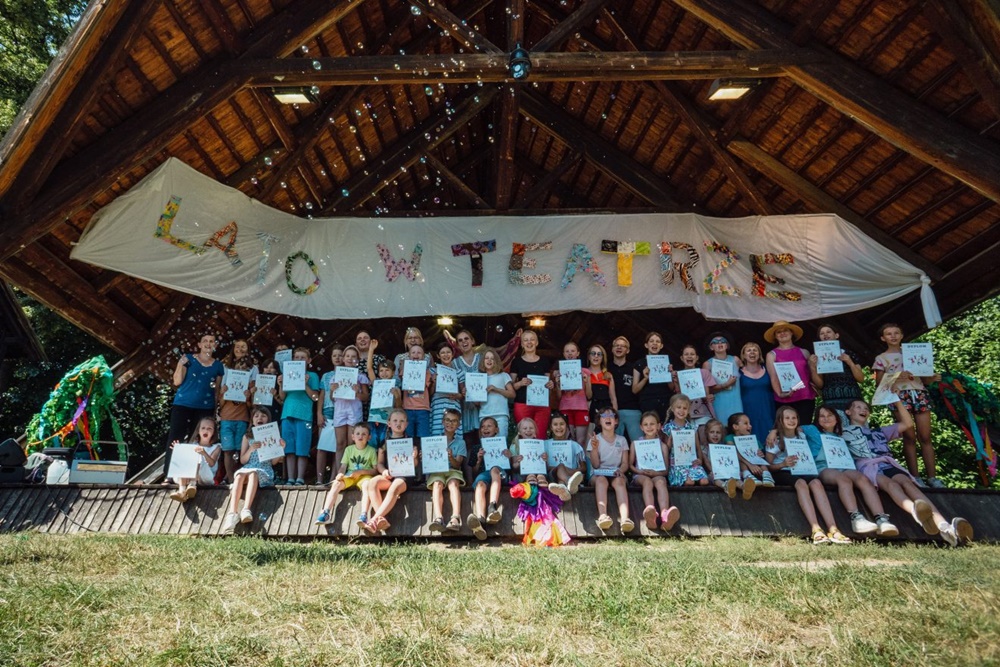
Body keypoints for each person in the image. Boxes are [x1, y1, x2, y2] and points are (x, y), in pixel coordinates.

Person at [842, 399, 972, 546]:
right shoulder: (842, 433)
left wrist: (897, 401)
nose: (863, 410)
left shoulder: (879, 431)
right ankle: (916, 512)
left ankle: (944, 525)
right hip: (867, 466)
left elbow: (908, 424)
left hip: (887, 463)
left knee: (907, 483)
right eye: (858, 407)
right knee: (891, 485)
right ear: (848, 412)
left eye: (866, 408)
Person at [804, 405, 897, 537]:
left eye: (830, 415)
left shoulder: (843, 435)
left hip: (844, 466)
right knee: (844, 480)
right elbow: (793, 427)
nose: (826, 418)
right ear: (817, 419)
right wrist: (775, 433)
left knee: (862, 479)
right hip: (824, 467)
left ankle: (882, 519)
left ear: (837, 418)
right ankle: (856, 518)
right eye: (822, 416)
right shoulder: (812, 430)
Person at [765, 405, 851, 545]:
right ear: (780, 420)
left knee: (817, 483)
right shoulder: (775, 439)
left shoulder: (802, 435)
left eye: (794, 418)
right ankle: (815, 529)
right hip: (782, 471)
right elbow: (767, 466)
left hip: (802, 470)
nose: (791, 421)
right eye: (787, 418)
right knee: (801, 484)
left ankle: (833, 529)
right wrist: (783, 464)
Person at [873, 323, 943, 487]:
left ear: (902, 335)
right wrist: (896, 376)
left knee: (925, 436)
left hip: (919, 393)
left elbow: (924, 379)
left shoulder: (914, 353)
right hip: (898, 396)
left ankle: (933, 477)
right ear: (883, 338)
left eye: (896, 333)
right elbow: (879, 384)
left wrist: (932, 378)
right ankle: (915, 477)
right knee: (909, 437)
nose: (893, 336)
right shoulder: (881, 358)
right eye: (889, 334)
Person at [164, 333, 224, 477]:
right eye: (205, 341)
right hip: (182, 404)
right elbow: (177, 381)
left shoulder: (218, 365)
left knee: (195, 441)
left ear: (215, 345)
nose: (208, 344)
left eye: (211, 341)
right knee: (175, 439)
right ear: (199, 345)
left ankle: (189, 475)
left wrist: (216, 410)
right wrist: (180, 364)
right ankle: (169, 475)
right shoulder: (189, 359)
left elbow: (216, 390)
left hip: (205, 408)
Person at [222, 407, 283, 534]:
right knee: (239, 475)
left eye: (263, 416)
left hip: (264, 469)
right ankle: (232, 513)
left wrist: (281, 448)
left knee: (253, 473)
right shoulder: (247, 437)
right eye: (256, 416)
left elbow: (273, 462)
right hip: (248, 466)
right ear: (252, 421)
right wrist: (251, 449)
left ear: (268, 420)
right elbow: (243, 460)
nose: (260, 418)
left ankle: (246, 509)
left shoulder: (273, 437)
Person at [363, 409, 418, 534]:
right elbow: (379, 463)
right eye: (395, 420)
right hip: (389, 475)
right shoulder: (384, 442)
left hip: (404, 477)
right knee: (373, 483)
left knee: (395, 486)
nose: (398, 423)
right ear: (389, 423)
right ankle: (382, 519)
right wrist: (383, 471)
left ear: (407, 424)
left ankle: (374, 519)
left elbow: (415, 465)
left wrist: (414, 457)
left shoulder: (411, 442)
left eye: (402, 421)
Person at [315, 422, 378, 528]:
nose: (360, 436)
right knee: (336, 484)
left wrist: (361, 472)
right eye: (358, 433)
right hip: (350, 476)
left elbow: (375, 470)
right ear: (353, 437)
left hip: (364, 476)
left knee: (367, 485)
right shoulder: (349, 449)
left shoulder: (371, 451)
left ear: (369, 437)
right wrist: (340, 474)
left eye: (364, 434)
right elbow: (343, 466)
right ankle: (326, 512)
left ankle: (364, 515)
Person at [277, 346, 320, 486]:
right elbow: (282, 397)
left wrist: (305, 384)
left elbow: (315, 397)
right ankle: (290, 478)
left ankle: (300, 478)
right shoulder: (288, 373)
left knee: (302, 448)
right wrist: (280, 385)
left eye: (303, 357)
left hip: (304, 415)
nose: (299, 359)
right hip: (287, 414)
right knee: (289, 448)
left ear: (309, 360)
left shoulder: (312, 376)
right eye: (297, 357)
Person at [764, 321, 820, 425]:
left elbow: (811, 373)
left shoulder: (804, 352)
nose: (782, 333)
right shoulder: (771, 355)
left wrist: (816, 385)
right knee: (787, 429)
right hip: (784, 398)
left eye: (785, 330)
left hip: (805, 396)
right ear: (775, 336)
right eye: (778, 332)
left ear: (791, 333)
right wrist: (780, 394)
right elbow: (773, 377)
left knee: (804, 428)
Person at [629, 411, 678, 531]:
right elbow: (630, 465)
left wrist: (656, 473)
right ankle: (651, 512)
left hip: (657, 474)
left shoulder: (663, 446)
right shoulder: (635, 444)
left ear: (658, 426)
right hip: (640, 475)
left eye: (652, 424)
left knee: (661, 482)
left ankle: (665, 514)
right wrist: (640, 471)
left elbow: (666, 470)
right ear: (641, 427)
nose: (649, 427)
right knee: (647, 482)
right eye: (645, 424)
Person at [587, 408, 633, 533]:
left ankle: (625, 519)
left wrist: (620, 471)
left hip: (616, 473)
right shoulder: (595, 439)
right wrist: (595, 448)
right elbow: (596, 465)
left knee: (620, 482)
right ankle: (603, 516)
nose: (608, 418)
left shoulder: (622, 440)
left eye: (611, 415)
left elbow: (625, 463)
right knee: (601, 480)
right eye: (604, 416)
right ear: (599, 421)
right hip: (598, 474)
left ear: (616, 421)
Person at [217, 339, 255, 483]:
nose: (240, 349)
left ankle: (238, 479)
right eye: (237, 346)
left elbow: (252, 404)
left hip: (242, 417)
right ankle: (231, 480)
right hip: (226, 417)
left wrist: (248, 396)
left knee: (240, 450)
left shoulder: (253, 370)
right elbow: (220, 402)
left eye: (243, 346)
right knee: (228, 450)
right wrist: (223, 393)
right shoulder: (225, 368)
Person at [467, 416, 510, 540]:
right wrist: (479, 460)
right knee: (480, 484)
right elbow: (474, 471)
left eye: (489, 426)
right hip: (484, 474)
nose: (485, 428)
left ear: (496, 429)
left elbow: (512, 467)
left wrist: (509, 456)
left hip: (500, 474)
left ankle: (492, 507)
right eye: (483, 427)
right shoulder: (477, 447)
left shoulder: (504, 444)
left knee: (494, 469)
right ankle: (480, 519)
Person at [329, 345, 370, 475]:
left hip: (354, 411)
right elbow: (332, 398)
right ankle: (339, 474)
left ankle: (351, 473)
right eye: (347, 356)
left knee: (352, 443)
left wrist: (358, 392)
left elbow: (366, 397)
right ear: (343, 358)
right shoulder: (335, 376)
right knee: (340, 443)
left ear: (357, 360)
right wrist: (332, 390)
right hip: (340, 410)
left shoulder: (361, 377)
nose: (350, 358)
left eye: (353, 356)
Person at [809, 323, 865, 412]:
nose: (825, 335)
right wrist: (812, 366)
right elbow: (820, 385)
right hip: (830, 400)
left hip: (853, 399)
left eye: (828, 332)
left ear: (836, 335)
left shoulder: (849, 354)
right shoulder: (817, 357)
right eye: (822, 333)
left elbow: (861, 379)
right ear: (820, 338)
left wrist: (850, 362)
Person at [427, 408, 467, 533]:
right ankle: (438, 518)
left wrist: (451, 457)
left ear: (458, 425)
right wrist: (425, 457)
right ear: (443, 422)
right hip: (437, 471)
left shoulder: (461, 442)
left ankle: (455, 518)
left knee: (453, 483)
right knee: (437, 484)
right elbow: (429, 463)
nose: (450, 423)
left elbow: (457, 464)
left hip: (453, 471)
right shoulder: (433, 440)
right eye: (448, 420)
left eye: (454, 421)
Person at [509, 329, 555, 437]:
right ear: (522, 344)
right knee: (524, 435)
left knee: (540, 435)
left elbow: (547, 385)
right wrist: (520, 383)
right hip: (522, 403)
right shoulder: (516, 362)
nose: (529, 342)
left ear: (537, 342)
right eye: (526, 340)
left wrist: (550, 385)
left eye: (532, 339)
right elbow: (511, 387)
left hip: (542, 405)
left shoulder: (544, 361)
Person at [169, 416, 221, 502]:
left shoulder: (216, 447)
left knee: (198, 455)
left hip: (206, 477)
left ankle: (192, 485)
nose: (206, 431)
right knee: (185, 454)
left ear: (214, 432)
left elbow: (212, 463)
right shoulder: (192, 444)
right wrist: (178, 449)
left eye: (209, 428)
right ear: (198, 431)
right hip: (186, 478)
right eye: (203, 428)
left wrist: (204, 453)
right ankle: (182, 491)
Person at [700, 418, 753, 499]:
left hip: (727, 472)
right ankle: (725, 486)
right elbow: (706, 461)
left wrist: (735, 471)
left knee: (736, 478)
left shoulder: (725, 447)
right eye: (712, 432)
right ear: (707, 433)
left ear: (722, 434)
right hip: (714, 472)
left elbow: (732, 460)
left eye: (718, 432)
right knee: (715, 478)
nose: (715, 435)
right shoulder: (704, 448)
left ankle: (744, 487)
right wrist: (713, 471)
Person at [663, 394, 709, 487]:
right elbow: (666, 450)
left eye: (685, 408)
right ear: (672, 409)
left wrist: (700, 459)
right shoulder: (668, 427)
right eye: (678, 407)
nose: (681, 410)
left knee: (704, 481)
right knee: (689, 482)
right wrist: (670, 439)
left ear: (688, 410)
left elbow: (697, 447)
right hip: (676, 464)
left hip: (692, 463)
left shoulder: (692, 427)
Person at [316, 344, 345, 486]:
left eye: (340, 355)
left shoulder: (349, 374)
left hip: (342, 412)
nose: (337, 358)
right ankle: (319, 479)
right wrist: (319, 413)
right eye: (334, 355)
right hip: (327, 412)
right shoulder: (326, 376)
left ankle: (332, 479)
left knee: (338, 447)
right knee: (322, 447)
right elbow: (322, 396)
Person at [553, 341, 591, 446]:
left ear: (578, 353)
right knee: (567, 440)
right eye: (567, 351)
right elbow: (558, 397)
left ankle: (580, 458)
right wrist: (557, 384)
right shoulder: (559, 372)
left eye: (573, 351)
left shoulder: (585, 372)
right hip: (565, 407)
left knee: (580, 441)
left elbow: (589, 395)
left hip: (581, 408)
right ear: (564, 354)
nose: (570, 353)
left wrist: (586, 381)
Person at [738, 342, 775, 448]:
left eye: (755, 350)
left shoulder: (768, 369)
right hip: (748, 410)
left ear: (759, 354)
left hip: (767, 409)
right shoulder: (738, 373)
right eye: (749, 350)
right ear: (743, 355)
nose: (752, 352)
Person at [724, 412, 774, 488]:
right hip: (741, 467)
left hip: (755, 467)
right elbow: (733, 452)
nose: (750, 426)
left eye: (749, 423)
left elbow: (760, 454)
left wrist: (760, 454)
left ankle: (767, 475)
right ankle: (748, 476)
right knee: (740, 457)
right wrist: (750, 465)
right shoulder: (730, 438)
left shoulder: (753, 440)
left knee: (760, 460)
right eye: (746, 423)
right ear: (735, 427)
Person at [632, 331, 673, 422]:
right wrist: (645, 378)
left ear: (661, 346)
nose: (655, 343)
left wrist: (669, 374)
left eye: (657, 341)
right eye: (651, 341)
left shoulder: (666, 362)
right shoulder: (639, 363)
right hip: (647, 402)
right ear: (646, 345)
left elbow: (672, 387)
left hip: (664, 401)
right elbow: (634, 390)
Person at [365, 343, 400, 449]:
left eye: (387, 370)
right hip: (373, 418)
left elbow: (399, 407)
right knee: (372, 443)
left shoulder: (396, 387)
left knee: (385, 445)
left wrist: (397, 396)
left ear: (393, 372)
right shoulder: (376, 383)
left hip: (388, 421)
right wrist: (371, 350)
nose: (384, 373)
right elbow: (369, 368)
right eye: (381, 371)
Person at [703, 332, 742, 426]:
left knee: (738, 427)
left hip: (736, 400)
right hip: (719, 402)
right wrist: (726, 384)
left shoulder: (736, 360)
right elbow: (706, 390)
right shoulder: (707, 364)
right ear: (711, 347)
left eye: (723, 341)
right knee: (721, 428)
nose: (719, 343)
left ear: (727, 345)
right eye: (715, 342)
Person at [672, 344, 716, 427]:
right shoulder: (678, 374)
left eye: (692, 354)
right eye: (686, 354)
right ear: (682, 358)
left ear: (697, 357)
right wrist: (676, 381)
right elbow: (678, 395)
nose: (689, 356)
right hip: (685, 413)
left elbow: (706, 394)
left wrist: (708, 397)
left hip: (703, 411)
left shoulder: (704, 372)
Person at [609, 336, 642, 442]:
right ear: (612, 349)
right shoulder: (606, 368)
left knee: (638, 443)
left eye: (622, 346)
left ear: (627, 350)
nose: (619, 347)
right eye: (616, 345)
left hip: (633, 410)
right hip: (612, 412)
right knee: (613, 445)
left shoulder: (634, 368)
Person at [545, 412, 586, 497]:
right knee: (561, 466)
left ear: (567, 426)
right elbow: (542, 467)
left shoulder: (575, 445)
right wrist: (561, 468)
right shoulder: (544, 444)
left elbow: (584, 468)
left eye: (562, 424)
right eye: (555, 424)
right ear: (551, 427)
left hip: (572, 476)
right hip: (552, 476)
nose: (559, 427)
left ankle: (564, 490)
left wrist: (566, 470)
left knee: (561, 481)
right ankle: (569, 483)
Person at [430, 341, 464, 440]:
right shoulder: (432, 371)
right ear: (438, 355)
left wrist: (457, 395)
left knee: (454, 435)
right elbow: (430, 394)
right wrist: (434, 382)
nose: (446, 355)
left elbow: (463, 394)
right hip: (437, 407)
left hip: (453, 405)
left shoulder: (459, 373)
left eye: (448, 352)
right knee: (437, 435)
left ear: (452, 354)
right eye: (442, 353)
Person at [585, 344, 616, 436]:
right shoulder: (584, 373)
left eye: (599, 354)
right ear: (589, 356)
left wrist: (615, 415)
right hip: (591, 409)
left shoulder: (608, 375)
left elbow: (613, 398)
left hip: (606, 410)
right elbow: (588, 396)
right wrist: (587, 381)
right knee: (591, 438)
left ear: (603, 357)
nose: (596, 356)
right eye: (593, 353)